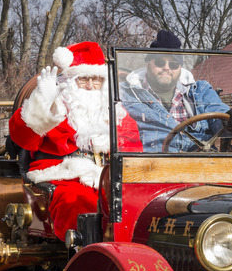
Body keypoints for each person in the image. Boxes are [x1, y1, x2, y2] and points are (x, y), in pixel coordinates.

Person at [9, 41, 142, 241]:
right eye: (83, 79)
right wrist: (41, 103)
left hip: (109, 177)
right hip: (64, 175)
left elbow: (135, 152)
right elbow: (22, 138)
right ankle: (89, 255)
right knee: (79, 204)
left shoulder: (117, 114)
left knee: (142, 204)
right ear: (71, 81)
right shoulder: (56, 108)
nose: (90, 86)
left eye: (96, 79)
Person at [120, 30, 232, 152]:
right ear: (148, 64)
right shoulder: (128, 95)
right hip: (153, 167)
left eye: (173, 64)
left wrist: (230, 120)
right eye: (160, 62)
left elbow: (218, 116)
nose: (166, 68)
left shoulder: (199, 91)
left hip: (201, 164)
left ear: (180, 68)